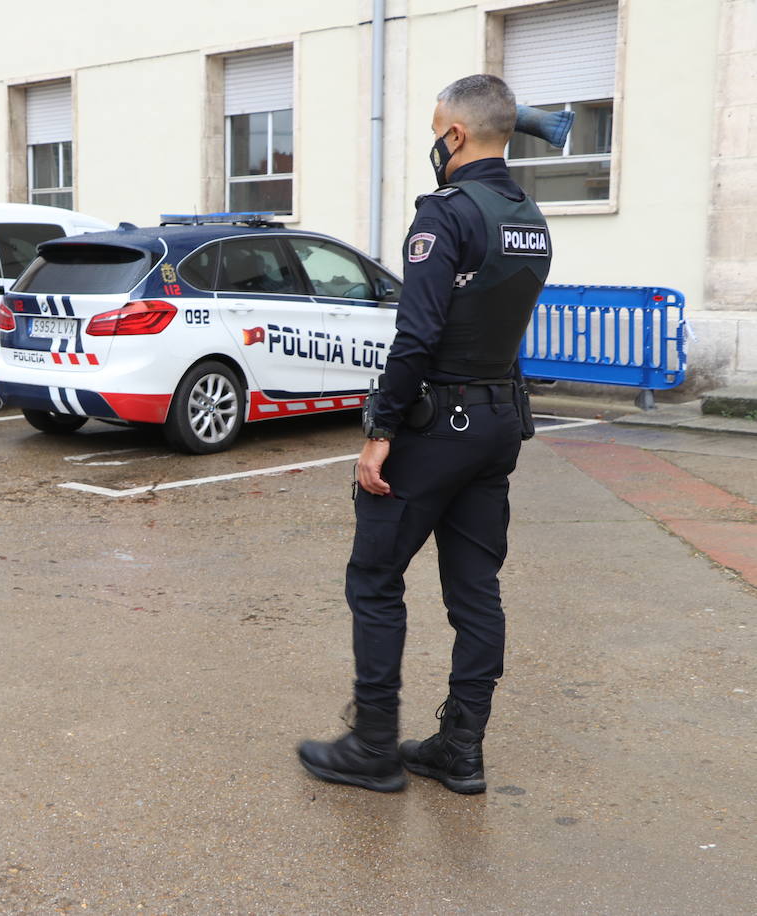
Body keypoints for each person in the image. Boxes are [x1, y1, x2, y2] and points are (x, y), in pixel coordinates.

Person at [298, 74, 553, 795]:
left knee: (374, 580)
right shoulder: (528, 215)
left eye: (436, 130)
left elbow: (417, 334)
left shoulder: (444, 214)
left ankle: (374, 746)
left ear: (457, 136)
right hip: (497, 422)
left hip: (437, 423)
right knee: (477, 590)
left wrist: (380, 428)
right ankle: (460, 748)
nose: (432, 144)